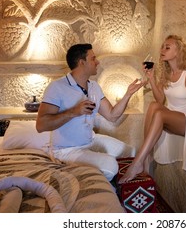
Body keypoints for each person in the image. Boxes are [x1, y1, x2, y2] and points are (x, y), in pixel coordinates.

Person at [36, 43, 145, 181]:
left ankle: (92, 167)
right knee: (111, 165)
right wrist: (74, 112)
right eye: (93, 58)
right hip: (66, 149)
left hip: (90, 141)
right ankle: (76, 172)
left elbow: (112, 115)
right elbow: (41, 125)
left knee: (131, 151)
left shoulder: (94, 86)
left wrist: (128, 94)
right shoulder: (57, 87)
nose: (98, 62)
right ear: (82, 62)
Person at [118, 35, 186, 183]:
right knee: (153, 106)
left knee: (158, 113)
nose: (162, 50)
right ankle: (145, 162)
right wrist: (151, 78)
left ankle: (138, 162)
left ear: (178, 52)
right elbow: (159, 100)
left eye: (167, 47)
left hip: (185, 121)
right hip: (170, 116)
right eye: (162, 46)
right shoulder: (167, 74)